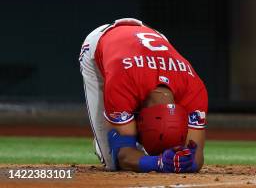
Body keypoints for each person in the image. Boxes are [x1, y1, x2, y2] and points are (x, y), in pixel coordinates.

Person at [79, 18, 208, 172]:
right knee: (113, 162)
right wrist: (158, 163)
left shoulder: (195, 90)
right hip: (100, 42)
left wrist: (189, 162)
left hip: (151, 36)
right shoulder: (121, 82)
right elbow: (123, 155)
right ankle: (104, 143)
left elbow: (197, 156)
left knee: (138, 158)